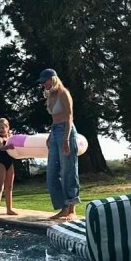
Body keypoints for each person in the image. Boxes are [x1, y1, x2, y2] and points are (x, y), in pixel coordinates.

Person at [39, 68, 80, 221]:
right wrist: (51, 135)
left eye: (45, 81)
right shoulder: (52, 95)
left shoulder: (64, 93)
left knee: (68, 170)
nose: (43, 84)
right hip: (55, 131)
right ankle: (63, 207)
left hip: (66, 131)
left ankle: (71, 208)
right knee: (51, 173)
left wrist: (66, 139)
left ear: (53, 79)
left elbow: (69, 117)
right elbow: (55, 119)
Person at [0, 117, 20, 217]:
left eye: (3, 127)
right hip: (1, 163)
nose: (1, 130)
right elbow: (1, 147)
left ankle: (9, 209)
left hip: (10, 163)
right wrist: (8, 146)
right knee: (0, 186)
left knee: (9, 187)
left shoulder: (11, 137)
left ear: (8, 127)